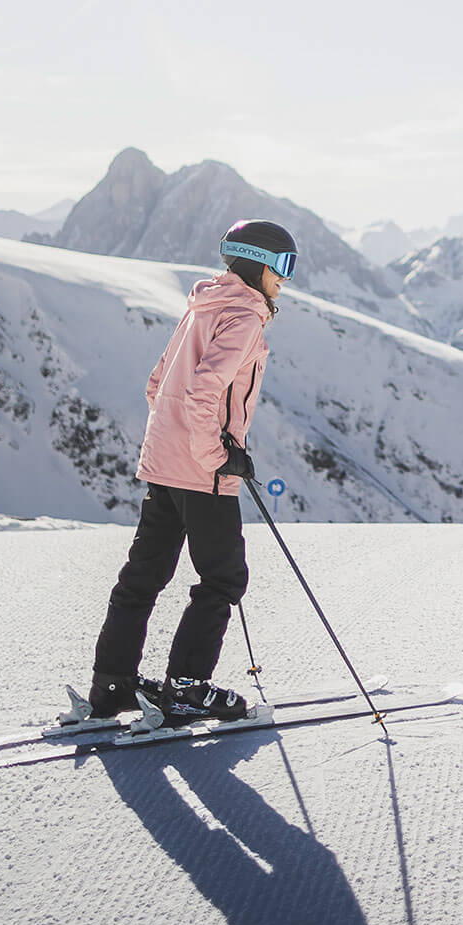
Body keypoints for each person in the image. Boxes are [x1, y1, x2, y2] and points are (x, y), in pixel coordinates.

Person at [87, 218, 297, 722]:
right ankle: (186, 688)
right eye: (284, 265)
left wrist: (180, 445)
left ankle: (112, 683)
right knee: (223, 578)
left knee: (143, 576)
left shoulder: (202, 306)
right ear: (259, 262)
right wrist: (217, 456)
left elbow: (158, 384)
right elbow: (203, 391)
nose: (285, 279)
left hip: (164, 465)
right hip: (203, 473)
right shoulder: (243, 316)